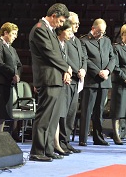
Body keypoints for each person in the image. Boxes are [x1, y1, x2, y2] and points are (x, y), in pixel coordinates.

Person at [29, 3, 72, 162]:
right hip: (47, 78)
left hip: (55, 78)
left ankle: (47, 149)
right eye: (60, 21)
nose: (61, 25)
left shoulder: (50, 30)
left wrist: (64, 71)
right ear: (53, 15)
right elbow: (49, 53)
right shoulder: (40, 29)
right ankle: (37, 151)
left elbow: (58, 53)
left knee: (53, 117)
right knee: (44, 116)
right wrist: (66, 68)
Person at [79, 18, 115, 146]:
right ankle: (83, 138)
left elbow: (112, 58)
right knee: (87, 110)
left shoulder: (107, 40)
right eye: (99, 31)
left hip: (104, 81)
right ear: (93, 29)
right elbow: (85, 59)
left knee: (99, 111)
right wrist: (98, 71)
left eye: (103, 32)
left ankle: (98, 137)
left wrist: (108, 71)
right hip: (91, 80)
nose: (101, 34)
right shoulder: (83, 41)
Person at [59, 12, 86, 153]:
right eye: (75, 23)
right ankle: (61, 142)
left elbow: (84, 58)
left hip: (77, 81)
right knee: (64, 113)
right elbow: (65, 59)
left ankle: (67, 140)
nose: (77, 26)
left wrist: (83, 69)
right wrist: (77, 70)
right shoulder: (65, 40)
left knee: (71, 113)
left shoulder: (78, 41)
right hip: (68, 80)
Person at [0, 22, 21, 133]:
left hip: (7, 84)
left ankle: (1, 139)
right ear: (5, 33)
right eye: (14, 33)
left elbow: (19, 65)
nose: (16, 36)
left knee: (4, 113)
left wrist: (17, 75)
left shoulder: (11, 49)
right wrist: (12, 74)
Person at [110, 24, 126, 145]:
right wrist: (125, 78)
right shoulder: (117, 48)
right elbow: (116, 66)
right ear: (122, 35)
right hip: (120, 83)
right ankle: (116, 135)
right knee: (118, 111)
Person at [54, 19, 73, 156]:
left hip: (63, 82)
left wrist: (67, 72)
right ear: (61, 31)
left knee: (60, 113)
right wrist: (65, 71)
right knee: (55, 114)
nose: (70, 34)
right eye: (68, 31)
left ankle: (57, 144)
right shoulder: (55, 43)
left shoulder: (65, 45)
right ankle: (55, 144)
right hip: (55, 80)